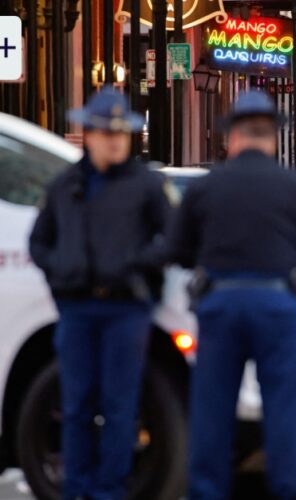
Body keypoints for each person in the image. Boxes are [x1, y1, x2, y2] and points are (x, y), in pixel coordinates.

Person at [168, 91, 296, 500]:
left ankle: (207, 491)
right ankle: (292, 492)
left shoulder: (206, 188)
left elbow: (176, 249)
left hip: (219, 304)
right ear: (272, 138)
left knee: (212, 410)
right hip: (279, 306)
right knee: (286, 411)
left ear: (232, 138)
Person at [28, 86, 171, 500]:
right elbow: (40, 242)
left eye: (121, 133)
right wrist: (61, 273)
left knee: (119, 406)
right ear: (88, 134)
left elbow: (173, 238)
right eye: (106, 132)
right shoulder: (64, 185)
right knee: (75, 405)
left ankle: (109, 490)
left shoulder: (145, 185)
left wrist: (137, 262)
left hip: (126, 307)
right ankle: (78, 489)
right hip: (77, 307)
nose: (114, 140)